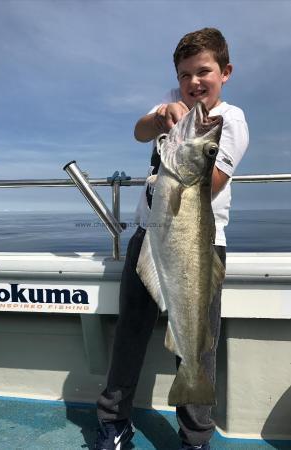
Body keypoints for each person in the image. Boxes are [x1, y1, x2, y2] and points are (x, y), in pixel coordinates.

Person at [94, 27, 249, 450]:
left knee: (196, 343)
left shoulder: (231, 121)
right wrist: (161, 116)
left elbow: (208, 183)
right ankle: (115, 420)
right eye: (185, 74)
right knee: (131, 331)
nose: (194, 82)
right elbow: (140, 132)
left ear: (226, 72)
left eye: (204, 72)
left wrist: (189, 146)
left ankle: (196, 436)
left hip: (199, 244)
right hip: (149, 238)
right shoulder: (175, 106)